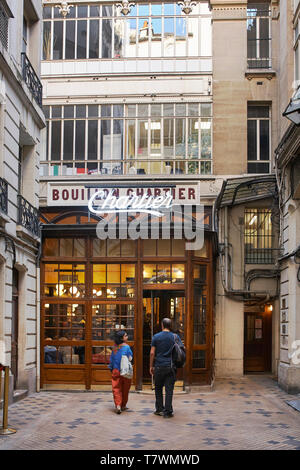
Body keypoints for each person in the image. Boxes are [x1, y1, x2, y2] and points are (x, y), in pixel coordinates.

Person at [150, 317, 184, 418]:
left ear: (162, 325)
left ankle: (159, 409)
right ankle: (168, 411)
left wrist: (151, 366)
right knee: (169, 390)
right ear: (170, 326)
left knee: (158, 388)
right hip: (170, 366)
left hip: (159, 366)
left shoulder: (156, 337)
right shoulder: (175, 337)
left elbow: (152, 353)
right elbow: (182, 348)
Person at [108, 330, 133, 414]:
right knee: (125, 389)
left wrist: (111, 368)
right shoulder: (127, 347)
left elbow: (111, 359)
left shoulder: (115, 348)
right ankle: (123, 405)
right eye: (125, 336)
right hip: (125, 371)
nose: (127, 337)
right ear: (122, 338)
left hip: (115, 370)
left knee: (116, 388)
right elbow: (130, 358)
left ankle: (118, 405)